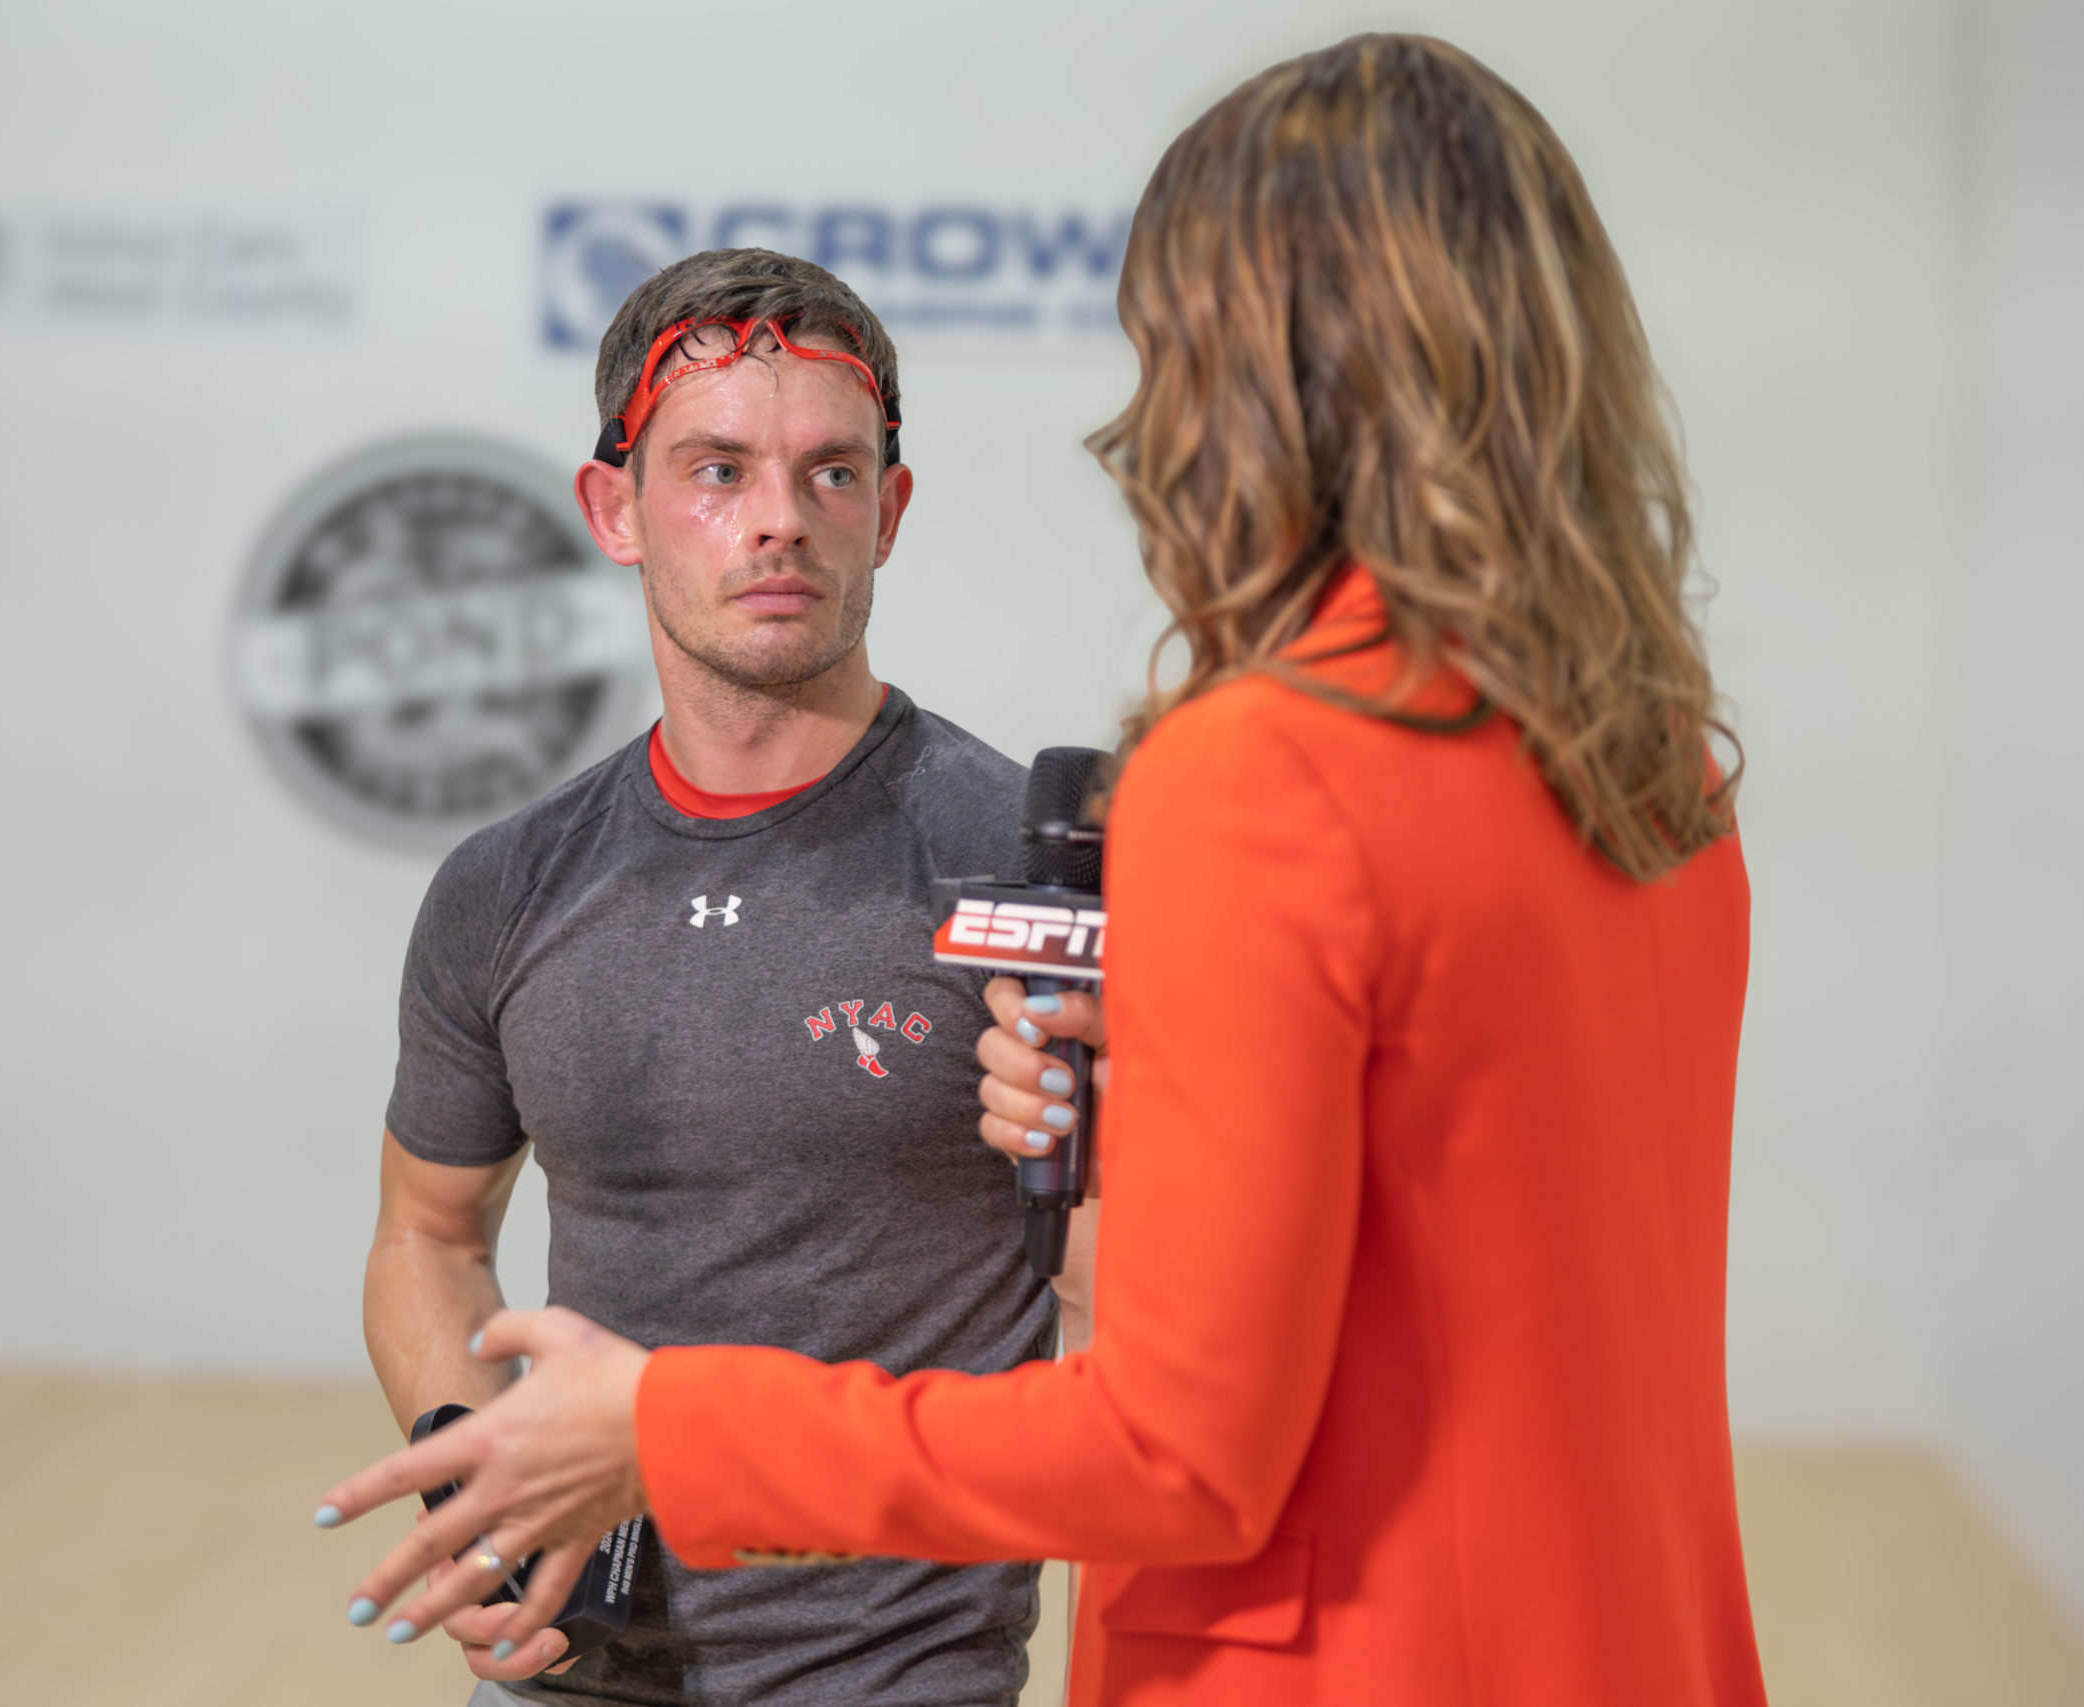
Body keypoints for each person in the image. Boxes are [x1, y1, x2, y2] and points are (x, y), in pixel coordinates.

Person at [319, 34, 1765, 1707]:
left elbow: (1184, 1447)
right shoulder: (1656, 773)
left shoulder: (1260, 778)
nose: (1150, 420)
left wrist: (664, 1429)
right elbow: (1436, 1258)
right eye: (718, 470)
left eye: (1173, 345)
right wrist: (1142, 1118)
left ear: (1267, 373)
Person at [349, 247, 1090, 1706]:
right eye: (717, 470)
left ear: (889, 512)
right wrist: (477, 1485)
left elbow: (1130, 1316)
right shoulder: (504, 886)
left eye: (831, 474)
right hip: (559, 1678)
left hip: (898, 1682)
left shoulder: (1023, 875)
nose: (779, 519)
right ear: (614, 509)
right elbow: (426, 1233)